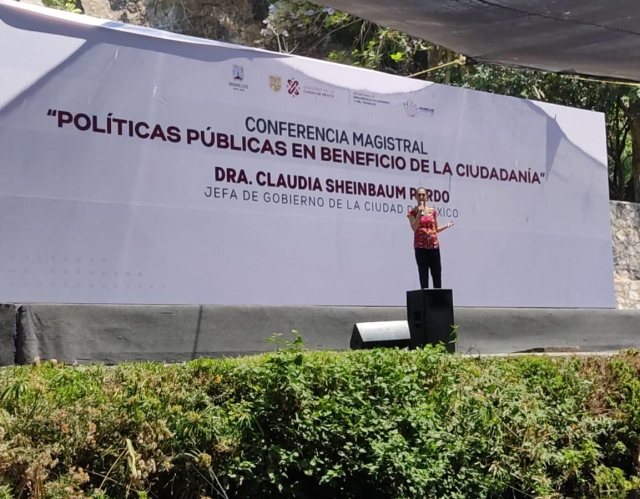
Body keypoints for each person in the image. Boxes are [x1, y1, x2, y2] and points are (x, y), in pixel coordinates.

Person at [407, 187, 454, 288]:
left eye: (423, 195)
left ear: (426, 197)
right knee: (424, 275)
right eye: (419, 195)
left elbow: (435, 229)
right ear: (415, 197)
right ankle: (425, 300)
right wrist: (419, 214)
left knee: (436, 274)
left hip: (433, 246)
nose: (421, 197)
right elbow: (414, 228)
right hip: (421, 247)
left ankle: (437, 301)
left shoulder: (433, 211)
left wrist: (446, 226)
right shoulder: (412, 212)